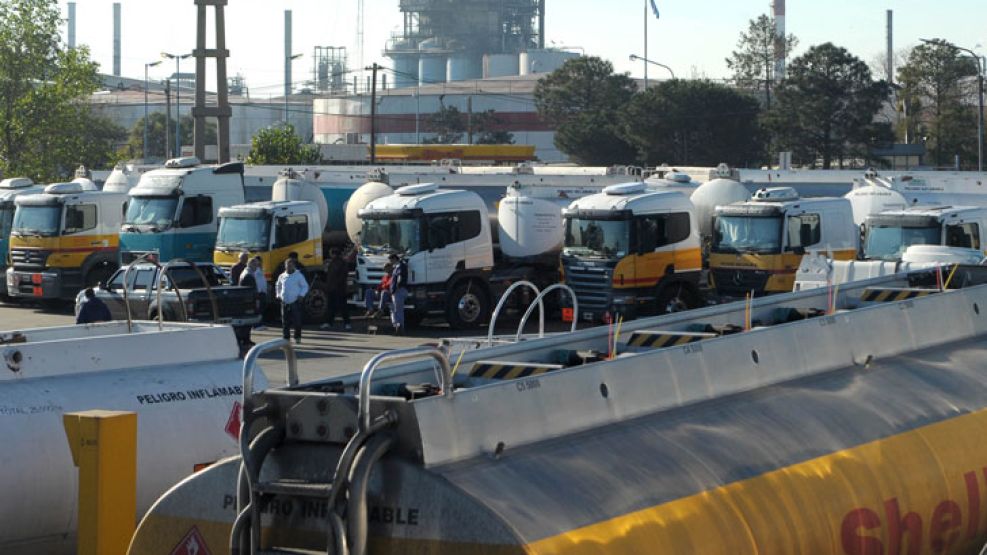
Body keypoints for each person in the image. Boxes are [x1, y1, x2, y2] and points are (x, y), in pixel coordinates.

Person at [276, 258, 309, 344]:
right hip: (284, 301)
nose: (289, 267)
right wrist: (278, 294)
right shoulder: (281, 276)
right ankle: (286, 338)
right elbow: (278, 285)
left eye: (290, 265)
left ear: (293, 266)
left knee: (297, 321)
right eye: (287, 265)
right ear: (285, 266)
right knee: (285, 321)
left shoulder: (299, 275)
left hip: (295, 301)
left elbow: (305, 286)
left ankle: (297, 337)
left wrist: (301, 295)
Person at [320, 248, 351, 331]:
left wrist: (332, 285)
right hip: (337, 288)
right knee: (338, 306)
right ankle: (342, 323)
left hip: (337, 288)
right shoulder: (337, 263)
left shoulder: (337, 263)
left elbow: (340, 277)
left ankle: (345, 323)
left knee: (337, 306)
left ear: (333, 254)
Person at [235, 259, 259, 347]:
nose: (257, 267)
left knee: (246, 322)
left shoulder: (246, 272)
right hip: (247, 301)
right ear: (251, 264)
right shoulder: (248, 275)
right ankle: (245, 339)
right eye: (256, 265)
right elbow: (250, 290)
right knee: (247, 322)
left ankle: (245, 339)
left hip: (244, 301)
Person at [388, 254, 409, 334]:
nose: (390, 262)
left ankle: (400, 327)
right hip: (396, 291)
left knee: (398, 310)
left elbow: (400, 278)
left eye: (390, 260)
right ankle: (396, 325)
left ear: (394, 259)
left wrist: (397, 287)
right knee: (393, 309)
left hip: (399, 290)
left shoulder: (400, 266)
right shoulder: (396, 267)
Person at [251, 256, 268, 330]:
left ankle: (260, 323)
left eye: (260, 261)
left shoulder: (261, 270)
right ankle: (256, 325)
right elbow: (257, 282)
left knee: (261, 309)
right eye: (258, 261)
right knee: (258, 309)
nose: (259, 263)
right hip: (258, 292)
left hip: (262, 292)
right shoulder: (255, 271)